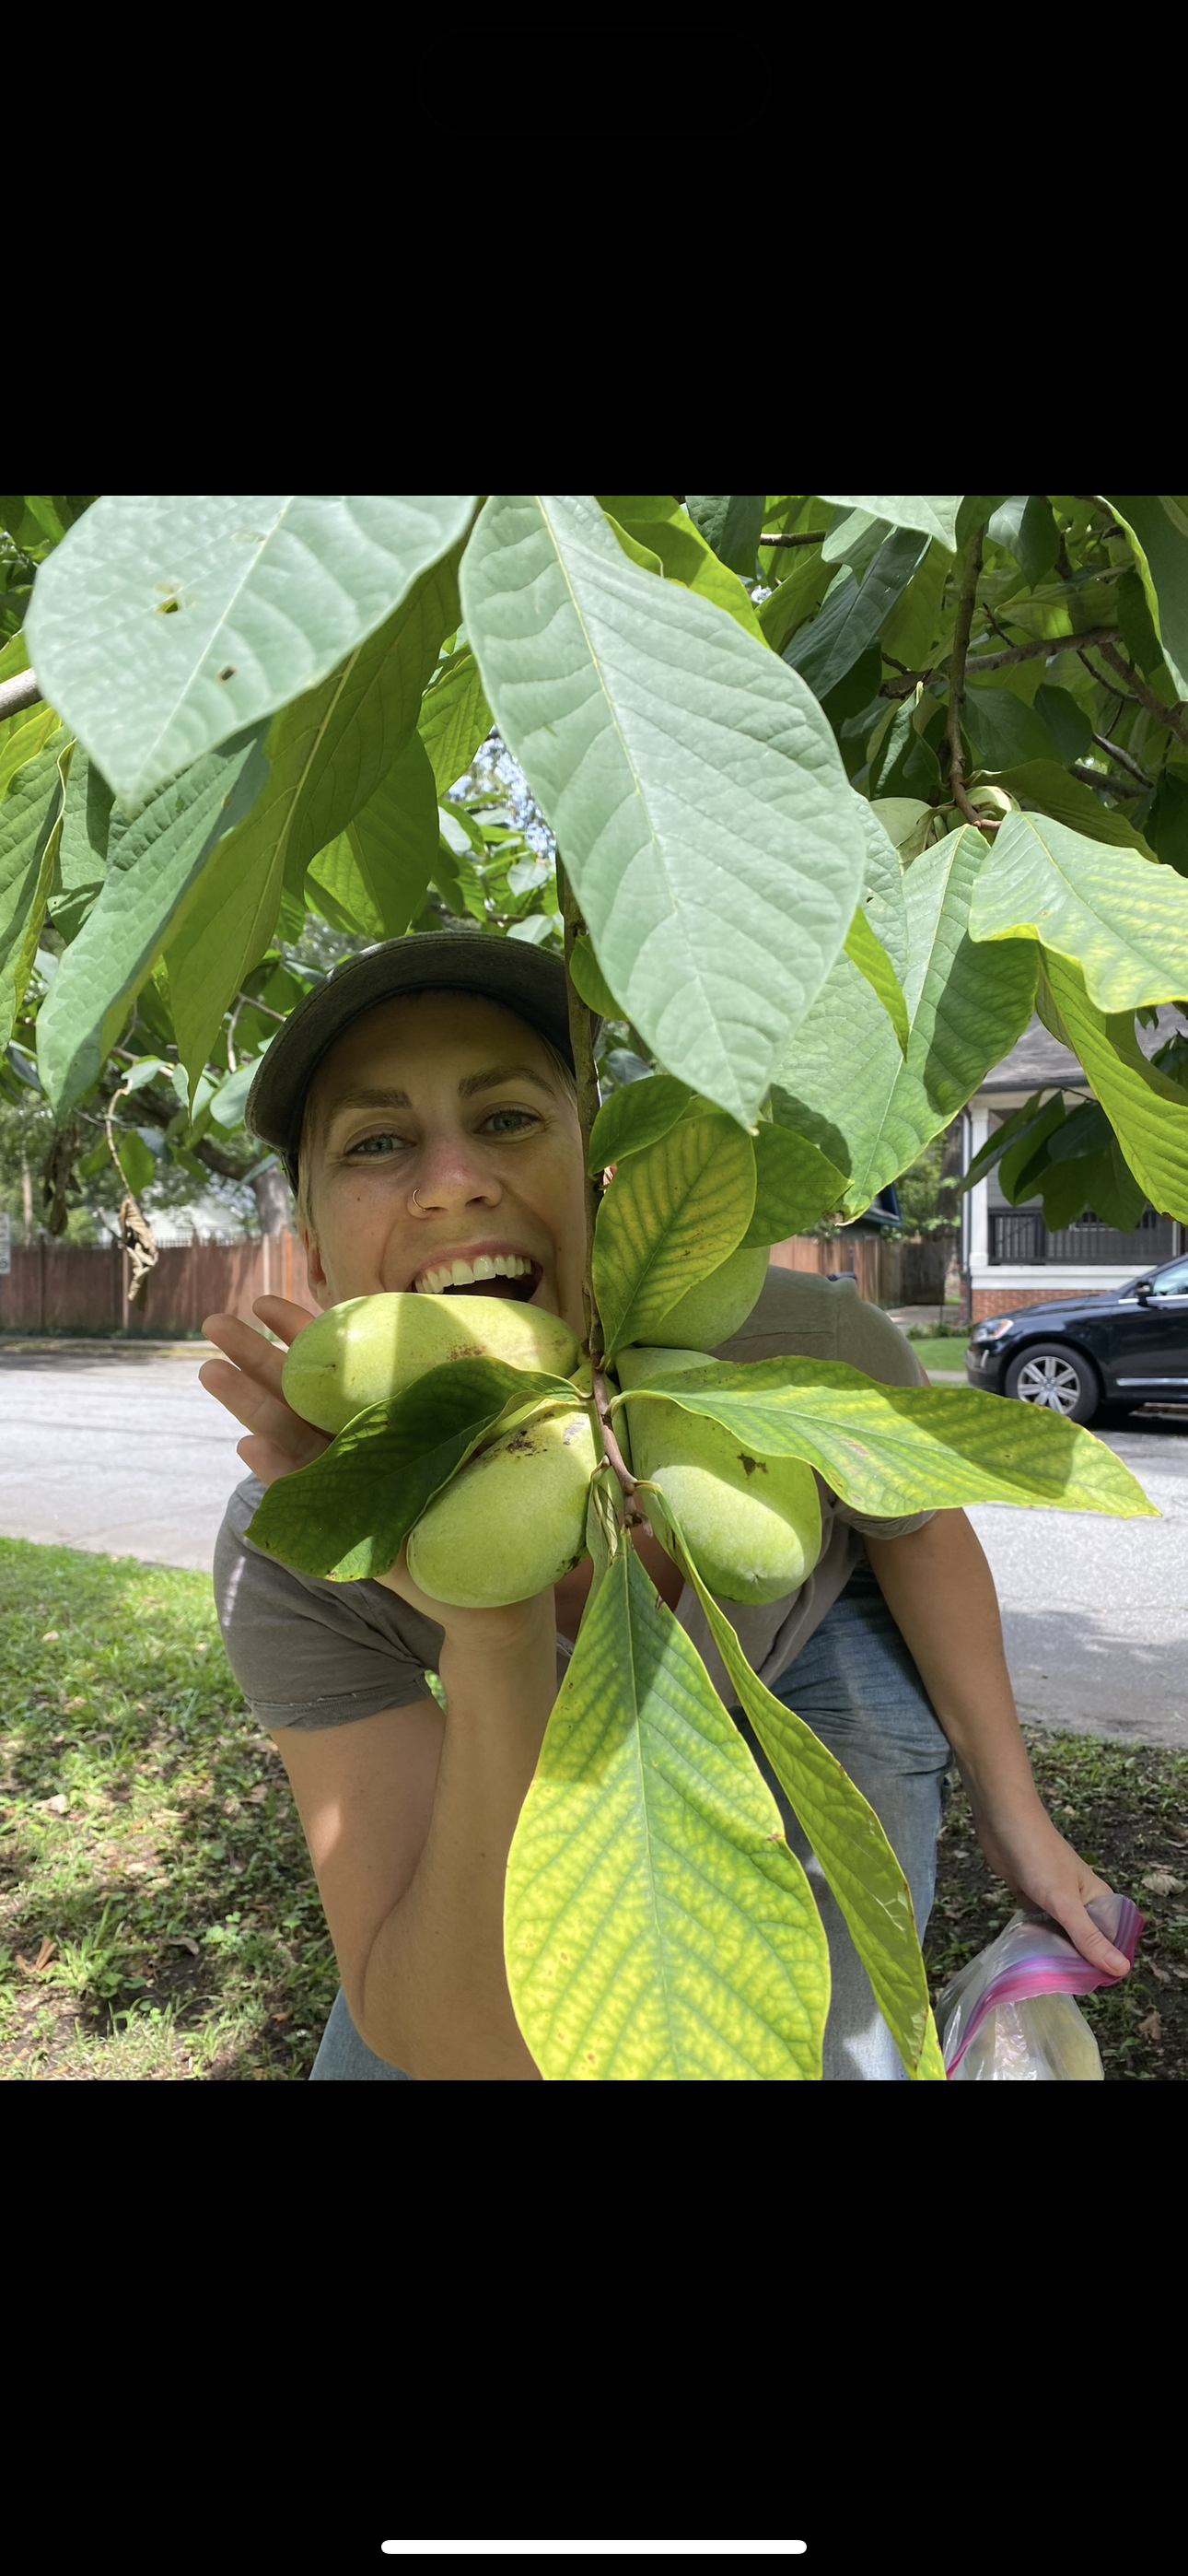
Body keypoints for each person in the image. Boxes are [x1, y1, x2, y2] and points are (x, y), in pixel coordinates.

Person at [200, 934, 1130, 2081]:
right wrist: (491, 1637)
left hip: (817, 1646)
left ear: (605, 1181)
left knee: (830, 2039)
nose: (453, 1181)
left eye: (507, 1118)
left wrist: (1015, 1813)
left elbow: (922, 1528)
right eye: (377, 1142)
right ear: (315, 1260)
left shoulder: (801, 1345)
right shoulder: (297, 1543)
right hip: (538, 1709)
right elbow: (461, 2040)